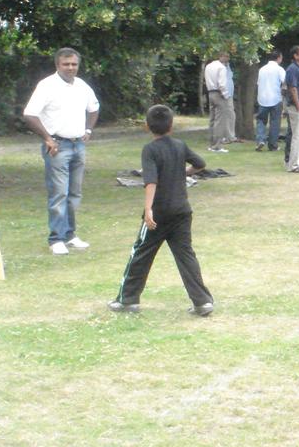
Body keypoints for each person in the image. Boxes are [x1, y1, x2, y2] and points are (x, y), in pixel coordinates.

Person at [108, 105, 215, 315]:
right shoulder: (180, 145)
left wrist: (148, 209)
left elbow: (151, 181)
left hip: (158, 214)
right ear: (171, 126)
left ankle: (127, 300)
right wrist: (183, 172)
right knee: (186, 256)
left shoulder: (150, 150)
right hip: (182, 211)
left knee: (140, 254)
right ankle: (202, 302)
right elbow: (200, 164)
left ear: (147, 127)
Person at [23, 47, 100, 256]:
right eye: (66, 64)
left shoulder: (82, 86)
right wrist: (47, 138)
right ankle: (56, 239)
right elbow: (30, 114)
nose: (70, 68)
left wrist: (88, 130)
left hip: (78, 144)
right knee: (59, 193)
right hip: (57, 146)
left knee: (74, 193)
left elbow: (94, 108)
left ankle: (70, 235)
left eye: (74, 64)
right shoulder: (47, 86)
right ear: (58, 65)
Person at [283, 45, 299, 173]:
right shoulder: (292, 69)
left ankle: (297, 162)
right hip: (296, 107)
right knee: (297, 136)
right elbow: (292, 88)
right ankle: (292, 165)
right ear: (296, 56)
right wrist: (298, 107)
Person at [203, 52, 235, 152]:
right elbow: (222, 84)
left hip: (210, 93)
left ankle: (211, 144)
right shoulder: (221, 68)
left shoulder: (208, 66)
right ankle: (217, 146)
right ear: (220, 56)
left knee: (212, 119)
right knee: (220, 121)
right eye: (226, 56)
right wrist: (226, 95)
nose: (228, 59)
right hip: (219, 94)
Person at [255, 51, 285, 152]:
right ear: (279, 58)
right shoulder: (279, 69)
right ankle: (273, 145)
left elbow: (258, 83)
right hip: (275, 98)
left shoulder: (262, 69)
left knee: (261, 120)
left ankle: (260, 140)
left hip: (262, 98)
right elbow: (285, 82)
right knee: (275, 122)